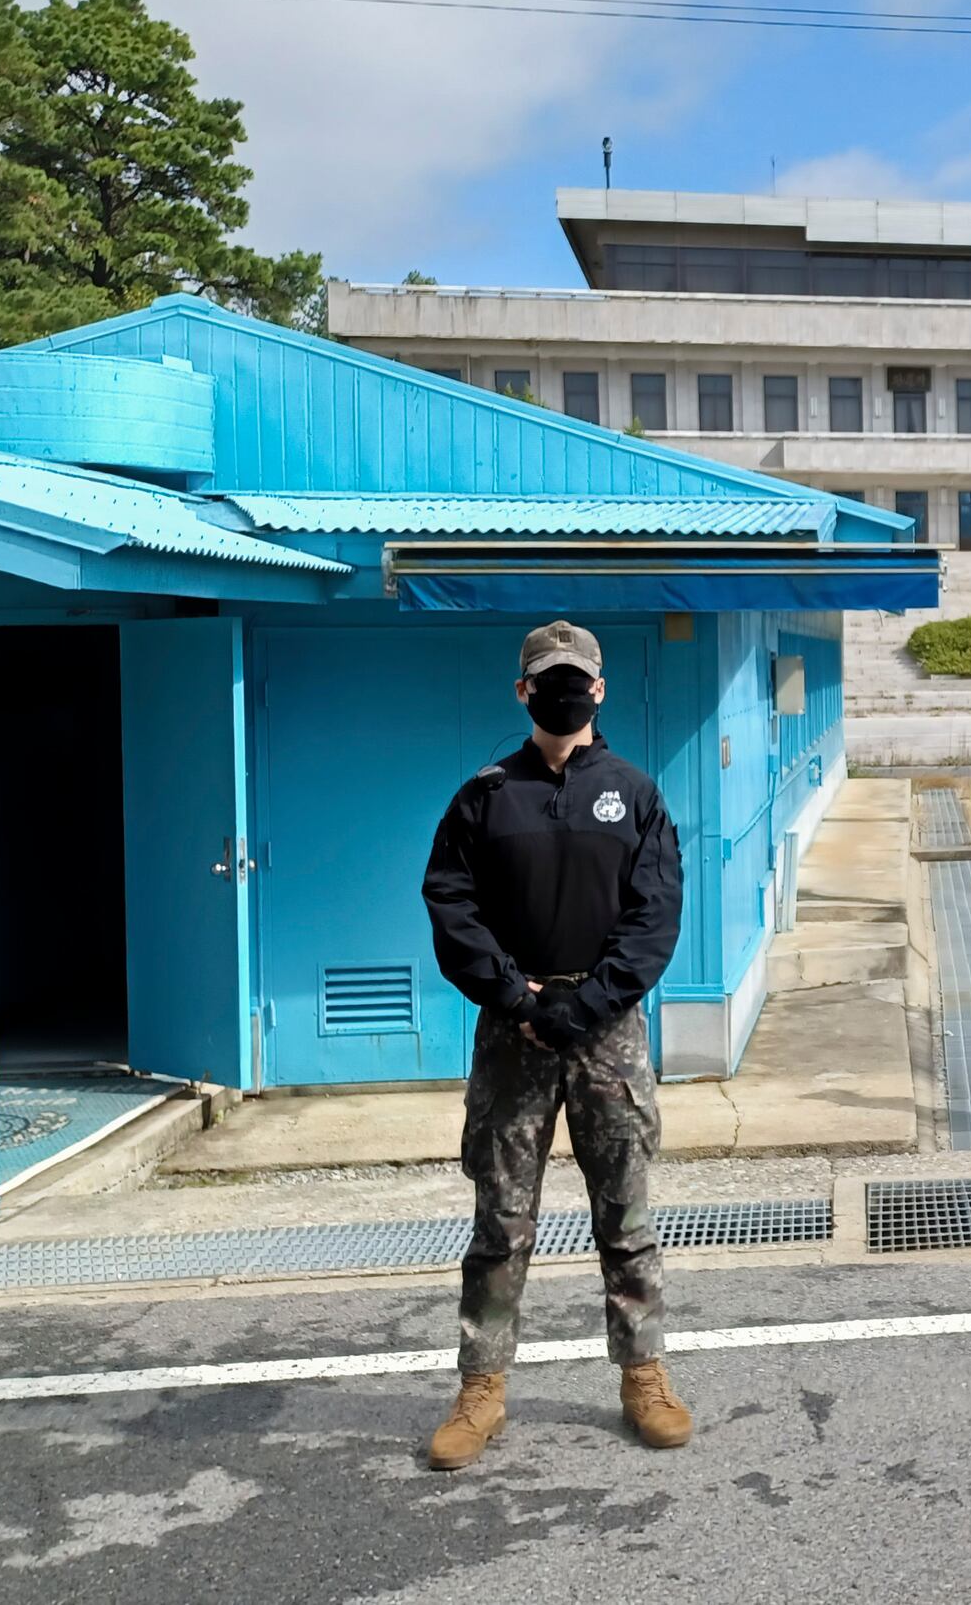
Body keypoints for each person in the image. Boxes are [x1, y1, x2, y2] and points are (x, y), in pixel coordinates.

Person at [419, 620, 689, 1471]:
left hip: (607, 1030)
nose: (563, 690)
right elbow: (450, 905)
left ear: (600, 689)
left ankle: (643, 1373)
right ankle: (482, 1388)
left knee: (627, 1214)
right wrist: (514, 994)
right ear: (522, 690)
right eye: (547, 678)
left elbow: (655, 918)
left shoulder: (637, 793)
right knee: (500, 1220)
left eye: (577, 678)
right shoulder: (484, 795)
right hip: (513, 1030)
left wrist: (590, 1002)